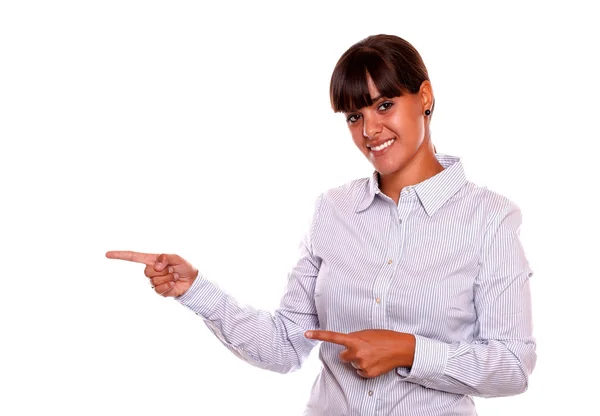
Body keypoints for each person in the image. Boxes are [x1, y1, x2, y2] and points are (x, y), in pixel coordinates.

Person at [106, 34, 536, 415]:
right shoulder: (333, 210)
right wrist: (194, 288)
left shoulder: (490, 219)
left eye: (384, 105)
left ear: (425, 96)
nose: (370, 129)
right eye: (354, 116)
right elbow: (285, 345)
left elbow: (513, 367)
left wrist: (409, 350)